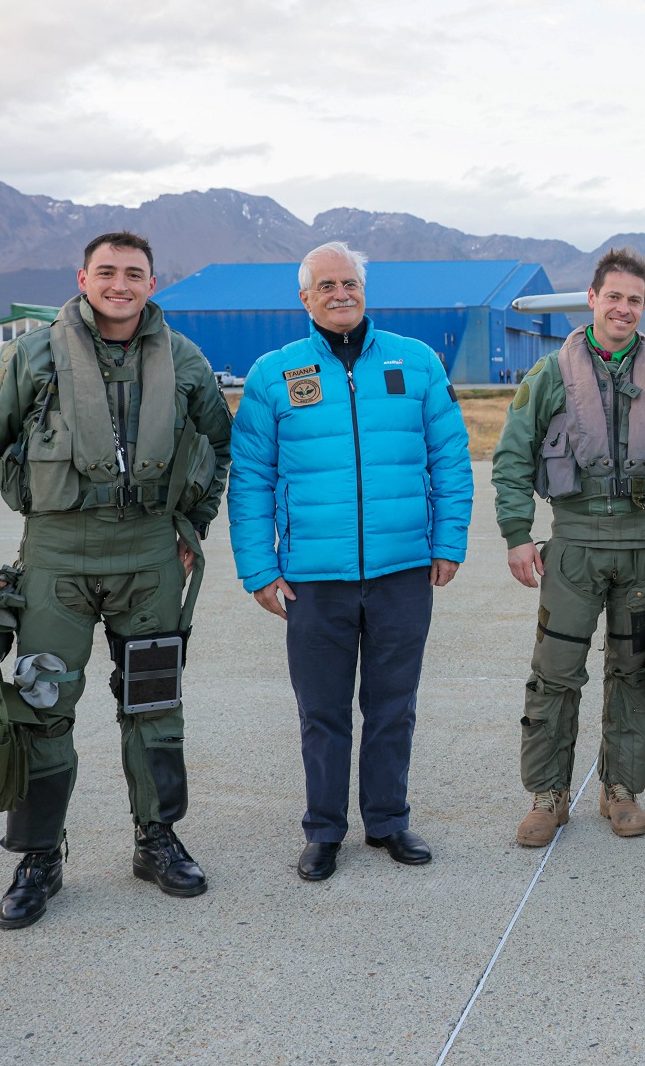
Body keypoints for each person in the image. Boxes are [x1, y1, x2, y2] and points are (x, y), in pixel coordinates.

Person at [0, 232, 232, 930]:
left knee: (155, 703)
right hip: (57, 559)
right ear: (83, 277)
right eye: (108, 271)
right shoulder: (33, 354)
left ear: (152, 282)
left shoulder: (184, 359)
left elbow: (218, 443)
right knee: (41, 703)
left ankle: (155, 837)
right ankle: (40, 854)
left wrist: (191, 524)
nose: (120, 284)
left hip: (149, 558)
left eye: (134, 273)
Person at [228, 242, 472, 882]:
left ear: (366, 290)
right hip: (314, 579)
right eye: (327, 285)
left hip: (401, 572)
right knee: (323, 711)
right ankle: (324, 829)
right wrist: (259, 567)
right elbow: (250, 476)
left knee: (394, 705)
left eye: (351, 283)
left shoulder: (414, 362)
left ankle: (388, 820)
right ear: (304, 298)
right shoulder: (274, 374)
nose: (341, 294)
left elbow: (449, 458)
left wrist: (448, 541)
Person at [492, 247, 645, 847]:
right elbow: (512, 458)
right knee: (555, 673)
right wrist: (518, 535)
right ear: (592, 299)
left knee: (633, 672)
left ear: (644, 309)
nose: (623, 308)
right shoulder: (549, 376)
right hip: (574, 548)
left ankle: (621, 790)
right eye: (613, 296)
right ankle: (548, 795)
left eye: (635, 300)